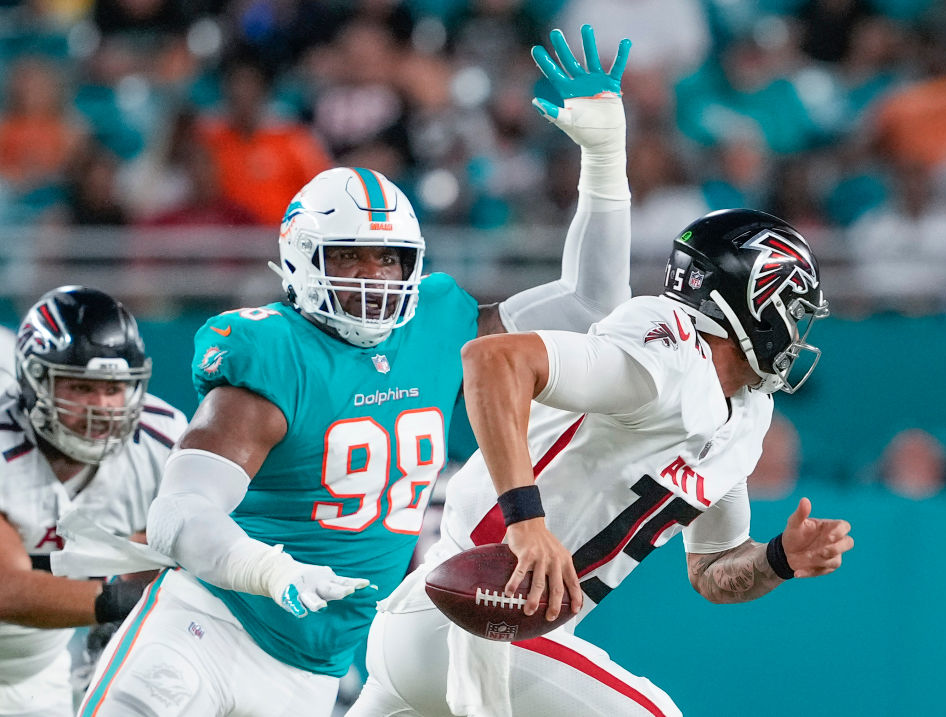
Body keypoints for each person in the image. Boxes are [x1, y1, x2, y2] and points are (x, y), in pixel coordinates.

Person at [76, 24, 633, 717]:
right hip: (209, 627)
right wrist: (270, 570)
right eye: (347, 257)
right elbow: (177, 514)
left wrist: (605, 158)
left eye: (387, 259)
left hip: (313, 672)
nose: (372, 277)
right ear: (302, 259)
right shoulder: (271, 353)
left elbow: (593, 304)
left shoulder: (439, 323)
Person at [347, 208, 854, 717]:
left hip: (476, 632)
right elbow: (491, 360)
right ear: (753, 303)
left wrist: (778, 560)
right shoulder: (668, 355)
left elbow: (711, 568)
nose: (798, 328)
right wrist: (526, 522)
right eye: (792, 307)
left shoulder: (745, 414)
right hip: (471, 617)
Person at [0, 286, 187, 717]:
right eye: (81, 387)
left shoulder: (161, 440)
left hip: (37, 674)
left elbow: (186, 545)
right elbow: (7, 590)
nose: (101, 408)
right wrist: (120, 602)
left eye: (114, 388)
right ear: (32, 382)